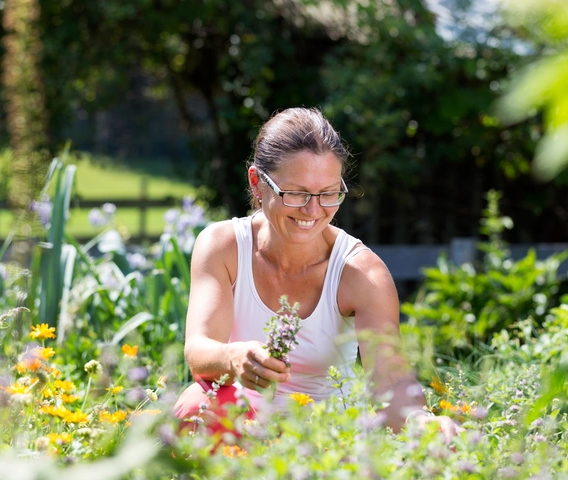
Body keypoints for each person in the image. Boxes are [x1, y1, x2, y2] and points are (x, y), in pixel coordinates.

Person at [173, 107, 459, 439]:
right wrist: (232, 355)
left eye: (328, 194)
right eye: (295, 193)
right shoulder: (222, 246)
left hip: (322, 441)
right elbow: (198, 351)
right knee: (198, 404)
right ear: (256, 182)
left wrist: (419, 421)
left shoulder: (360, 272)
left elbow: (389, 380)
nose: (313, 210)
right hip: (239, 428)